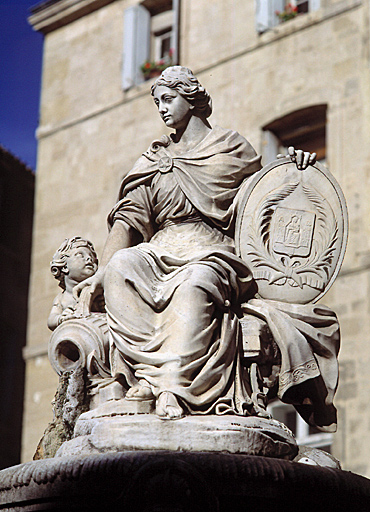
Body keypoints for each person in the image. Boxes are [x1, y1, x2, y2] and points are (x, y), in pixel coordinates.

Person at [74, 66, 316, 420]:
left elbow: (266, 197)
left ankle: (171, 383)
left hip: (211, 249)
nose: (162, 108)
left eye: (168, 99)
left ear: (191, 98)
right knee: (122, 269)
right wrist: (104, 268)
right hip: (159, 249)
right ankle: (144, 378)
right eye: (157, 102)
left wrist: (295, 167)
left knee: (195, 283)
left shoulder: (231, 148)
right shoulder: (154, 159)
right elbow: (128, 221)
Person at [48, 237, 99, 330]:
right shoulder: (61, 298)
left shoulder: (97, 291)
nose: (89, 258)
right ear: (64, 267)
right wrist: (61, 319)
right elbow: (51, 320)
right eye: (80, 255)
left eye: (92, 256)